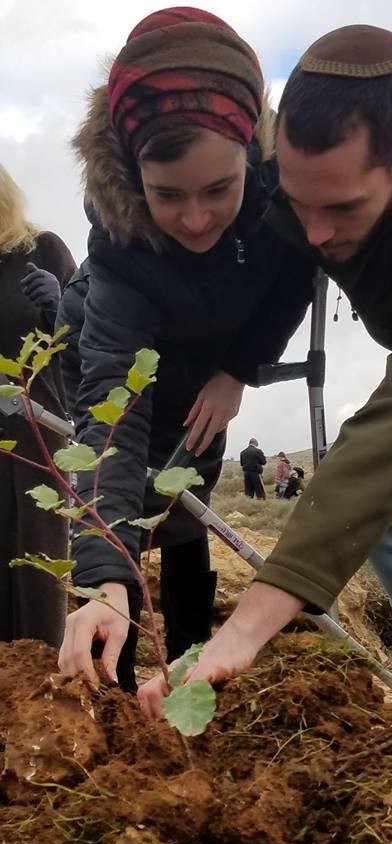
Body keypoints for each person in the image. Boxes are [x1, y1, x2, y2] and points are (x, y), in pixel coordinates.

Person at [138, 23, 392, 719]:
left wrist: (249, 625)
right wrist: (235, 367)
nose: (315, 233)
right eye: (299, 202)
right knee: (376, 497)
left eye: (344, 208)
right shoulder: (293, 167)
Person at [56, 7, 314, 692]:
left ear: (252, 155)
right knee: (128, 518)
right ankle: (118, 673)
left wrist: (240, 370)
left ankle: (195, 660)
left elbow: (294, 285)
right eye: (167, 195)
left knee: (188, 508)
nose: (195, 218)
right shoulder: (119, 255)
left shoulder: (286, 201)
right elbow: (110, 409)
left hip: (208, 381)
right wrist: (103, 579)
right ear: (132, 174)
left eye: (217, 189)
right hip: (126, 374)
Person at [0, 163, 76, 647]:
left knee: (37, 555)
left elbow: (87, 340)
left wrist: (61, 306)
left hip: (35, 429)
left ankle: (44, 680)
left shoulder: (40, 249)